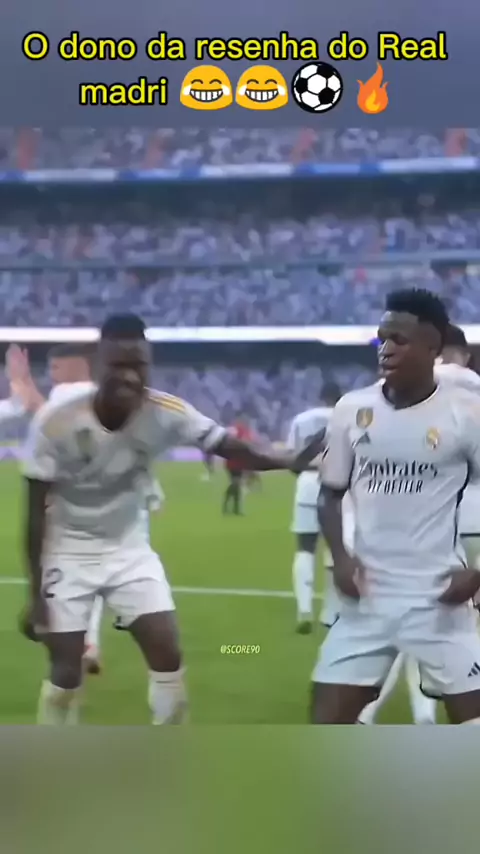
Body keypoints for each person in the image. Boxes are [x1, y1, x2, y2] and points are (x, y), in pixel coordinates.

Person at [21, 313, 323, 726]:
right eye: (119, 365)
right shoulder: (56, 421)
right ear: (97, 364)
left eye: (139, 366)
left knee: (168, 653)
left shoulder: (166, 410)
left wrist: (287, 460)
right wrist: (36, 595)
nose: (130, 376)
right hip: (67, 550)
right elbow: (34, 513)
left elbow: (229, 445)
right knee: (67, 672)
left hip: (128, 549)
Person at [313, 289, 480, 725]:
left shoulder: (467, 413)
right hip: (367, 597)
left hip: (440, 599)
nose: (385, 349)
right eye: (381, 338)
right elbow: (330, 494)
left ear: (432, 347)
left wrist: (478, 573)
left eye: (399, 340)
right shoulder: (352, 409)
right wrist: (341, 558)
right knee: (324, 728)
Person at [287, 382, 341, 634]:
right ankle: (330, 612)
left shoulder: (301, 419)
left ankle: (304, 609)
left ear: (321, 397)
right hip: (335, 485)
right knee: (335, 549)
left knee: (305, 548)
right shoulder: (347, 416)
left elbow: (292, 456)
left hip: (307, 483)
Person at [222, 418, 253, 516]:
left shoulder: (241, 431)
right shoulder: (236, 431)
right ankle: (228, 505)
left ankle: (234, 508)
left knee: (237, 485)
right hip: (233, 462)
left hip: (238, 462)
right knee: (235, 483)